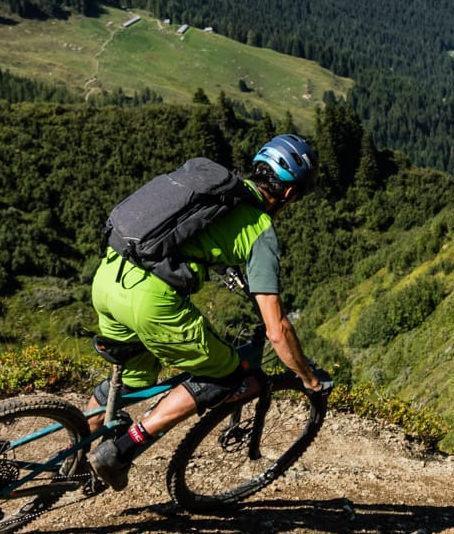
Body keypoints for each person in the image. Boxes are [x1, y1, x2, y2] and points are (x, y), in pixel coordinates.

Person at [86, 134, 329, 484]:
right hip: (150, 302)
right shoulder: (260, 228)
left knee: (133, 379)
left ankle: (77, 452)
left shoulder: (216, 194)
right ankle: (121, 450)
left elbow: (187, 236)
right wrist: (309, 379)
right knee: (227, 376)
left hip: (109, 276)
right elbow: (277, 331)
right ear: (290, 194)